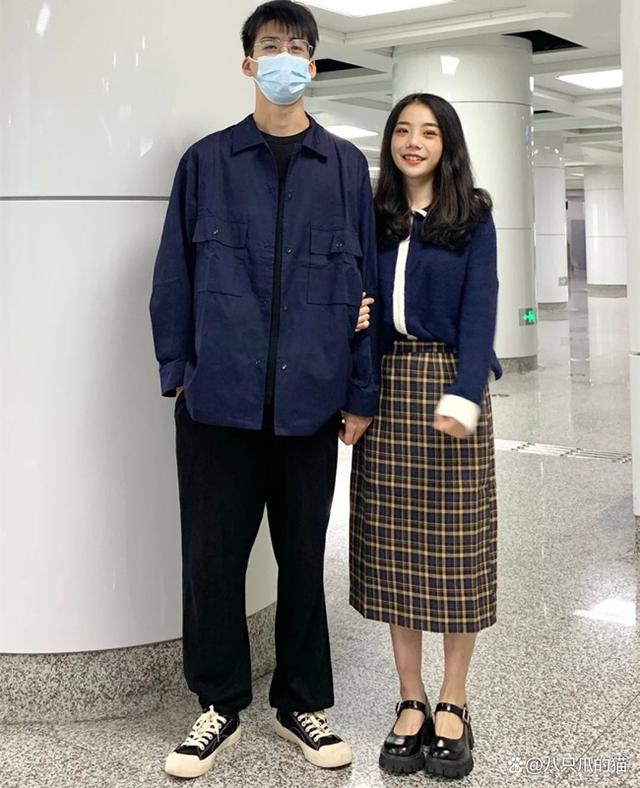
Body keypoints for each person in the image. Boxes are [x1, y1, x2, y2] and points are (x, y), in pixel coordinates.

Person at [149, 0, 378, 779]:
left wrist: (360, 392)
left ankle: (300, 704)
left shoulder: (343, 168)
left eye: (300, 47)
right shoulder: (206, 163)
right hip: (218, 406)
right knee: (211, 562)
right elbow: (173, 276)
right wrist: (178, 375)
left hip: (310, 408)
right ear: (249, 63)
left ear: (313, 65)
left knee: (304, 563)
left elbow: (363, 284)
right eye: (273, 45)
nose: (287, 57)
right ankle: (218, 706)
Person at [350, 93, 501, 780]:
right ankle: (410, 698)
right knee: (396, 555)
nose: (414, 141)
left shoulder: (473, 216)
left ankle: (453, 699)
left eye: (429, 132)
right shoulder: (375, 215)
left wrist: (467, 392)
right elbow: (363, 307)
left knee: (457, 553)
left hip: (448, 382)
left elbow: (480, 309)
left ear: (448, 144)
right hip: (389, 388)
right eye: (403, 130)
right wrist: (359, 395)